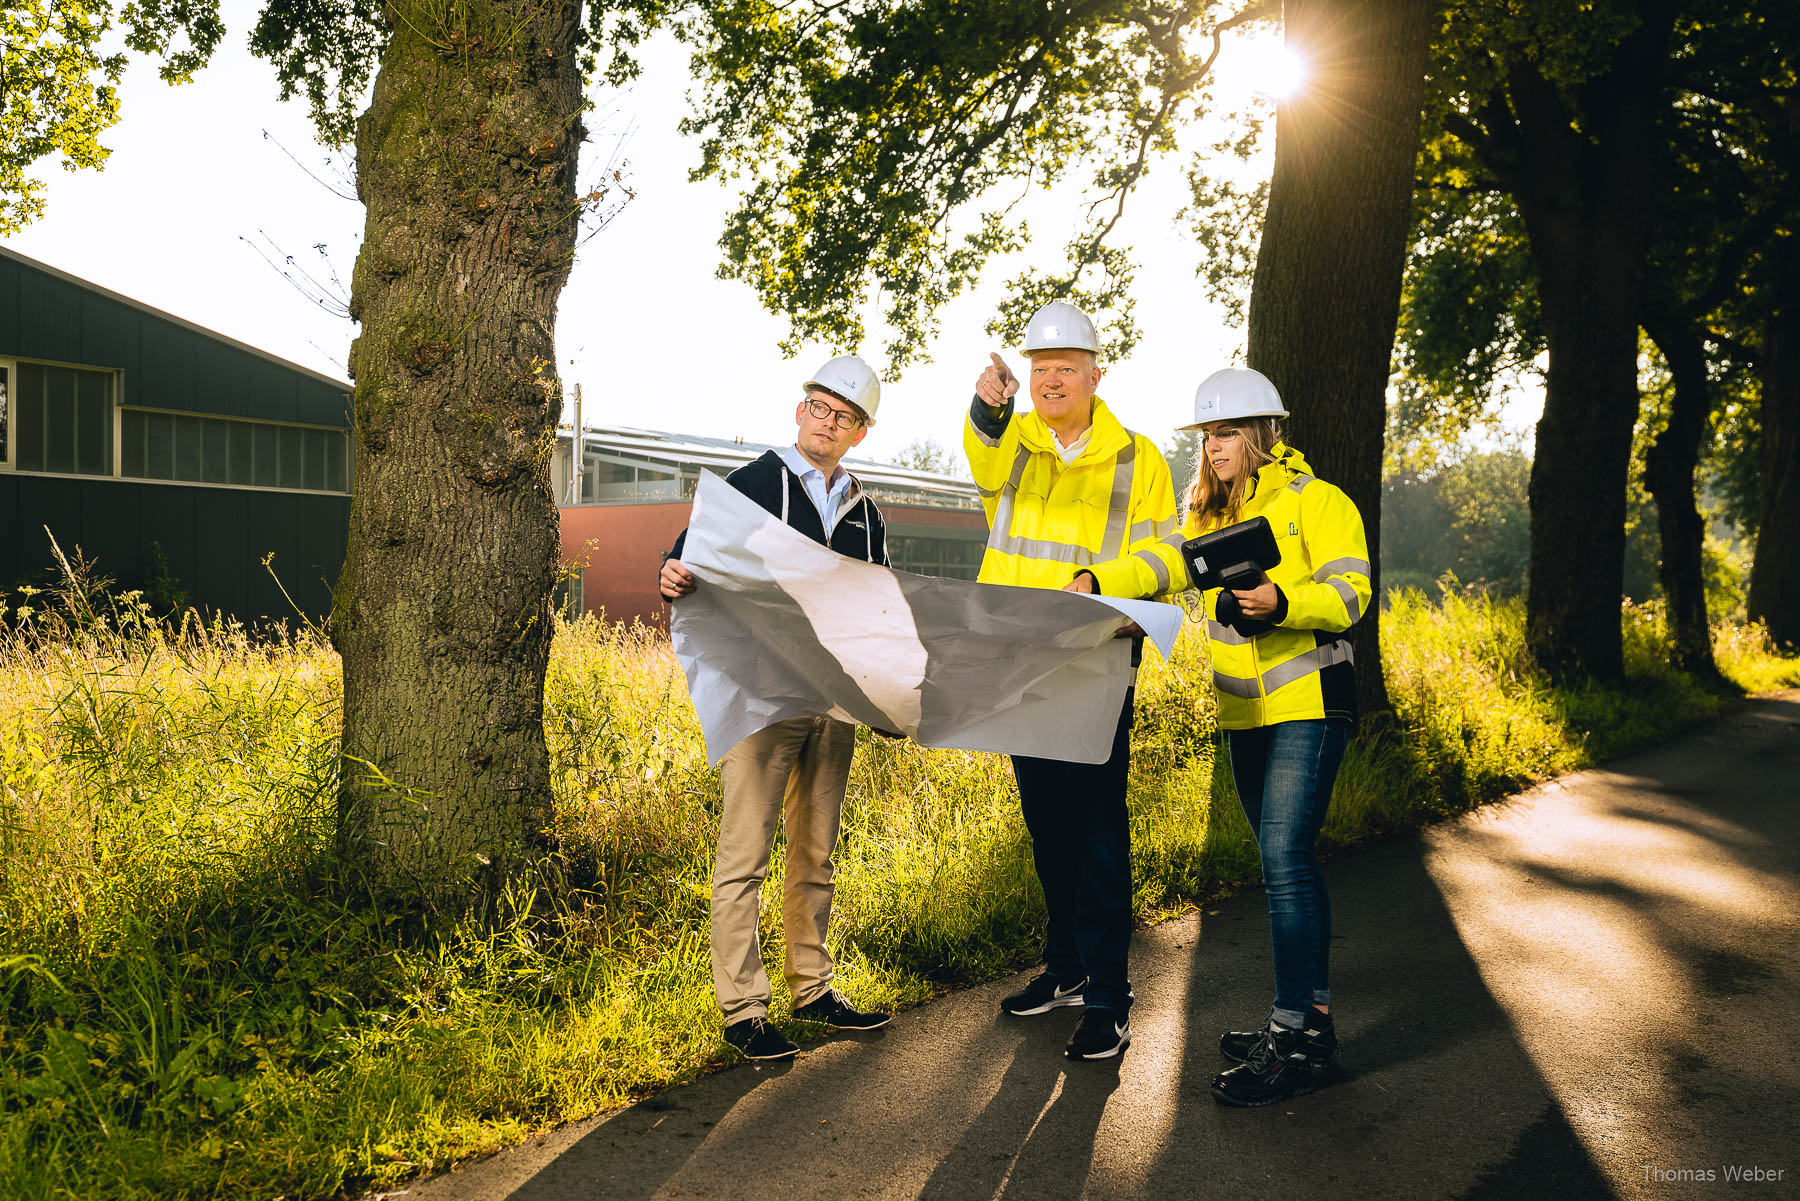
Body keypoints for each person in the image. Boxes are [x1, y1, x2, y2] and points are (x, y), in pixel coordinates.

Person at [963, 301, 1188, 1061]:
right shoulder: (1013, 443)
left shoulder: (1141, 458)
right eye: (1038, 370)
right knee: (1047, 825)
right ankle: (1063, 969)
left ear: (1097, 374)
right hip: (1020, 661)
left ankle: (1108, 995)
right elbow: (984, 458)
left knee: (1095, 833)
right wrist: (985, 408)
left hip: (1095, 662)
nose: (1050, 380)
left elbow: (1169, 559)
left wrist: (1110, 582)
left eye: (1065, 368)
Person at [659, 354, 894, 1061]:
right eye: (818, 407)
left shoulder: (867, 515)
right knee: (745, 854)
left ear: (859, 431)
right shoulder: (755, 484)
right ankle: (743, 1008)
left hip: (832, 702)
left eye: (843, 415)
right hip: (762, 698)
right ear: (800, 412)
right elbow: (688, 560)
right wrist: (671, 573)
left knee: (816, 851)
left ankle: (813, 986)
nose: (826, 422)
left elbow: (878, 610)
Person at [1172, 366, 1371, 1107]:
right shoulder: (1207, 517)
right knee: (1283, 860)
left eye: (1225, 431)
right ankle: (1309, 1025)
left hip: (1312, 705)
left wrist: (1282, 599)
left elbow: (1352, 594)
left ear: (1259, 434)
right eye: (1206, 434)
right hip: (1245, 716)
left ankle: (1292, 1034)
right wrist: (1100, 581)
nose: (1213, 445)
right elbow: (1165, 566)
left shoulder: (1319, 501)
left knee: (1285, 858)